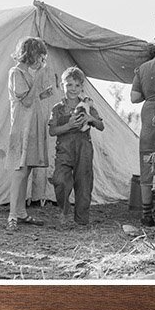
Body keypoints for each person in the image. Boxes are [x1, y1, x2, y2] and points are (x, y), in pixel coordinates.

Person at [3, 36, 54, 230]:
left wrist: (42, 94)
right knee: (19, 171)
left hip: (31, 127)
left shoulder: (28, 75)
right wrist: (40, 77)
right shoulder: (15, 73)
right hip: (22, 130)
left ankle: (21, 212)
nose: (42, 61)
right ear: (31, 54)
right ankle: (12, 216)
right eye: (40, 56)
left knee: (27, 170)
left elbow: (31, 99)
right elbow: (24, 101)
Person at [48, 67, 104, 226]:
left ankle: (81, 220)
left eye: (77, 85)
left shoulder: (87, 106)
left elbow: (101, 126)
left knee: (84, 182)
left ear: (82, 87)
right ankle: (64, 211)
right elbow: (52, 131)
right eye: (69, 85)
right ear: (62, 85)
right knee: (60, 179)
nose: (73, 89)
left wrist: (90, 118)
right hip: (64, 150)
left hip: (83, 148)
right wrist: (69, 125)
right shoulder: (57, 109)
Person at [130, 42, 155, 226]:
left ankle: (147, 215)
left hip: (151, 114)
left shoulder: (143, 68)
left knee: (147, 161)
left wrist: (149, 92)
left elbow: (134, 97)